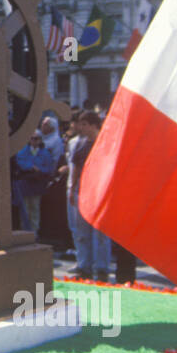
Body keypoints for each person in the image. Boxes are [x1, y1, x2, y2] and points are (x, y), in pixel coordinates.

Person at [68, 111, 112, 281]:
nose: (81, 128)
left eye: (84, 124)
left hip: (101, 193)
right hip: (83, 193)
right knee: (82, 231)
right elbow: (76, 171)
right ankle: (84, 265)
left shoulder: (106, 144)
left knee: (101, 233)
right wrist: (72, 190)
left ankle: (102, 268)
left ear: (94, 125)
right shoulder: (80, 146)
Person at [14, 130, 54, 233]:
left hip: (37, 184)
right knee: (25, 209)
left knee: (35, 208)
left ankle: (34, 232)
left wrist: (39, 169)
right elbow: (19, 162)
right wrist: (31, 166)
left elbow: (49, 167)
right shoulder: (23, 151)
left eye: (37, 139)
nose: (34, 141)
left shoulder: (45, 153)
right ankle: (25, 231)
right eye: (32, 138)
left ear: (40, 140)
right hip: (25, 183)